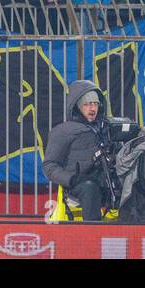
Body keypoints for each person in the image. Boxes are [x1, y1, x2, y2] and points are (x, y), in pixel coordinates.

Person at [42, 80, 109, 222]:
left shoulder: (106, 128)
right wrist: (72, 179)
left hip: (105, 178)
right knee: (90, 188)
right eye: (87, 104)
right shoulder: (62, 131)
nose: (92, 108)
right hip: (77, 184)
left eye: (95, 104)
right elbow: (50, 166)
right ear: (77, 107)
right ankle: (92, 233)